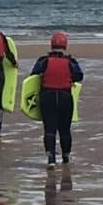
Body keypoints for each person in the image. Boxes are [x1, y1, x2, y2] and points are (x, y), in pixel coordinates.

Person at [28, 32, 84, 167]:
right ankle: (66, 157)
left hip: (48, 97)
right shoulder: (71, 62)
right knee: (65, 129)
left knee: (49, 129)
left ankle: (51, 159)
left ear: (51, 45)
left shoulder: (43, 61)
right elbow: (79, 76)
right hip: (65, 97)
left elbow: (33, 75)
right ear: (65, 45)